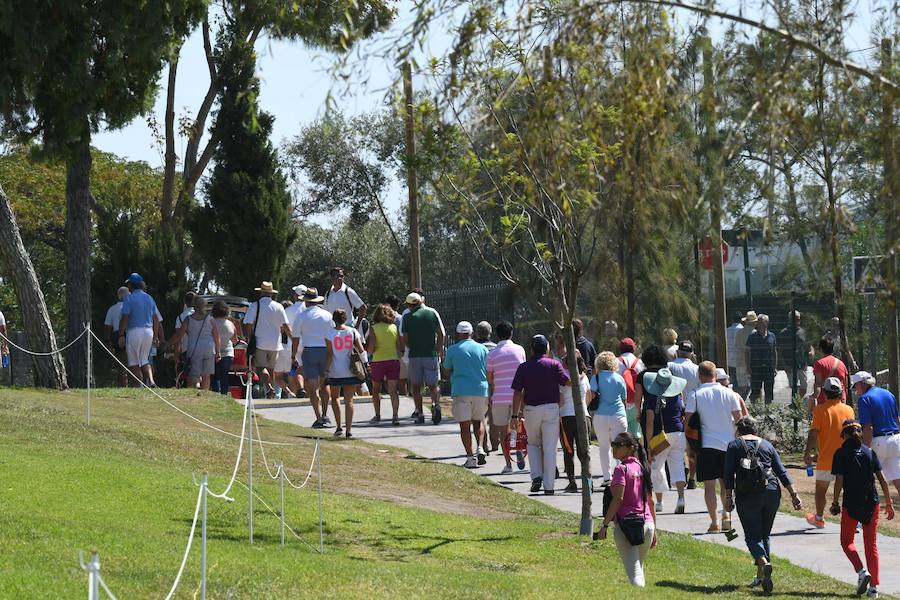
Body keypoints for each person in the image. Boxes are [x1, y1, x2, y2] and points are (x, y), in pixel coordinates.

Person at [724, 416, 803, 594]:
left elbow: (728, 474)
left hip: (748, 495)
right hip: (772, 491)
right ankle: (762, 577)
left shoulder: (734, 445)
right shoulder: (767, 445)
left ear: (739, 430)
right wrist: (794, 494)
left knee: (752, 537)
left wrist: (728, 497)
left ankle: (764, 564)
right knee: (764, 535)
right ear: (755, 430)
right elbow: (781, 471)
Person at [831, 419, 896, 599]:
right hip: (871, 503)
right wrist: (889, 503)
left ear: (843, 435)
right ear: (860, 433)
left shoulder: (841, 454)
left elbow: (839, 481)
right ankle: (874, 588)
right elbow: (882, 480)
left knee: (846, 542)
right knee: (871, 545)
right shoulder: (869, 452)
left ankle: (861, 571)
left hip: (851, 503)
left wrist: (835, 502)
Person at [685, 360, 742, 533]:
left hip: (706, 446)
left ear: (699, 376)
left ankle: (714, 522)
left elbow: (688, 423)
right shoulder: (729, 393)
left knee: (709, 486)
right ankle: (726, 515)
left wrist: (690, 449)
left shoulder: (694, 395)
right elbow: (740, 420)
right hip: (729, 446)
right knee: (726, 484)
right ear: (715, 376)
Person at [595, 432, 658, 588]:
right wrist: (654, 530)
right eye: (613, 445)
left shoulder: (620, 469)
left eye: (618, 445)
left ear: (630, 448)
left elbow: (618, 499)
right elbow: (650, 502)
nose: (614, 448)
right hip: (647, 526)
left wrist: (604, 525)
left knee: (635, 574)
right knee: (638, 568)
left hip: (626, 527)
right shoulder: (642, 468)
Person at [511, 335, 570, 495]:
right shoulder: (554, 364)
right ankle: (549, 486)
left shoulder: (523, 367)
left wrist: (514, 417)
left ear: (531, 349)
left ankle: (536, 475)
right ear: (547, 348)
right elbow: (567, 381)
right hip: (551, 408)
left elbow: (517, 393)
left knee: (533, 443)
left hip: (531, 410)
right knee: (550, 447)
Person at [803, 377, 855, 528]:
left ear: (824, 393)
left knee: (820, 490)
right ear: (840, 393)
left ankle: (819, 518)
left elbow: (813, 433)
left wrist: (807, 453)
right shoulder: (849, 409)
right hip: (846, 459)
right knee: (848, 489)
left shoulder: (820, 410)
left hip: (826, 458)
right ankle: (851, 521)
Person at [443, 321, 490, 468]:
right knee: (479, 421)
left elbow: (446, 370)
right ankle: (480, 447)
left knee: (465, 426)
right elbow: (488, 368)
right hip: (481, 389)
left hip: (461, 390)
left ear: (458, 334)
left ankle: (470, 458)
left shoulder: (452, 350)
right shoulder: (482, 349)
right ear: (472, 333)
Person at [642, 368, 688, 514]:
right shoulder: (678, 396)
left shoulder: (651, 397)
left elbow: (649, 421)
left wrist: (649, 443)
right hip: (678, 433)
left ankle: (660, 502)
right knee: (678, 465)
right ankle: (681, 498)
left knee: (657, 466)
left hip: (660, 436)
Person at [852, 371, 899, 500]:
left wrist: (864, 450)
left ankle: (865, 514)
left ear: (861, 384)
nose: (856, 391)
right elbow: (897, 419)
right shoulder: (889, 394)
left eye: (855, 386)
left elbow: (868, 428)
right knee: (898, 479)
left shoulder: (865, 398)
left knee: (866, 477)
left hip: (879, 441)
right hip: (896, 439)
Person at [487, 320, 526, 474]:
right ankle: (518, 448)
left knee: (503, 431)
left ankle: (508, 464)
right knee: (518, 427)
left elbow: (489, 379)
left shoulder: (492, 354)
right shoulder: (520, 350)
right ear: (511, 334)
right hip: (518, 395)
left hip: (499, 397)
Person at [291, 288, 333, 428]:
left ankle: (318, 416)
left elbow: (296, 339)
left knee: (313, 386)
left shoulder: (301, 316)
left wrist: (293, 355)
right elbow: (332, 334)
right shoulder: (327, 315)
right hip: (325, 350)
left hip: (309, 350)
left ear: (306, 301)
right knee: (324, 383)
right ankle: (326, 414)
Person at [401, 292, 445, 425]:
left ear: (410, 305)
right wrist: (437, 350)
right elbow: (441, 333)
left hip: (415, 355)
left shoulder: (407, 317)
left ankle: (419, 412)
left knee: (415, 386)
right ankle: (435, 404)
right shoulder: (432, 313)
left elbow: (405, 338)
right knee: (433, 384)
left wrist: (412, 346)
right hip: (430, 354)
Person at [242, 281, 291, 399]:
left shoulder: (255, 305)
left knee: (261, 368)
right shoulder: (278, 306)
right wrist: (292, 338)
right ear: (271, 294)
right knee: (271, 369)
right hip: (275, 343)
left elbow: (247, 323)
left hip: (260, 342)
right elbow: (285, 325)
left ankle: (268, 387)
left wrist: (250, 337)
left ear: (261, 293)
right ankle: (269, 394)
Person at [325, 309, 364, 438]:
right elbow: (361, 349)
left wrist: (326, 370)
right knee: (349, 400)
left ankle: (338, 426)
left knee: (335, 398)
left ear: (333, 319)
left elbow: (330, 354)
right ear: (345, 318)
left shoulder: (329, 333)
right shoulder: (352, 331)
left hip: (336, 370)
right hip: (350, 370)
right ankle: (349, 429)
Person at [591, 351, 628, 484]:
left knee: (604, 447)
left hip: (601, 415)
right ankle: (620, 475)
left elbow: (593, 395)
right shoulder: (619, 378)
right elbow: (624, 399)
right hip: (618, 415)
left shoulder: (595, 378)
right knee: (620, 447)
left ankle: (607, 477)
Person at [118, 273, 162, 387]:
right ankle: (151, 381)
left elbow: (125, 317)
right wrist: (156, 335)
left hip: (134, 331)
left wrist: (121, 334)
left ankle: (139, 386)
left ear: (131, 285)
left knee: (133, 362)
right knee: (144, 359)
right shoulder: (149, 297)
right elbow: (156, 318)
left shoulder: (129, 298)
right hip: (148, 331)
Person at [168, 296, 220, 390]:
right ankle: (205, 393)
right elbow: (216, 336)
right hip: (209, 348)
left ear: (195, 306)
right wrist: (218, 351)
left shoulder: (188, 319)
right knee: (206, 374)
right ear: (204, 306)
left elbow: (179, 335)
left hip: (194, 349)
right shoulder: (210, 319)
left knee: (194, 374)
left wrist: (168, 343)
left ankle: (195, 388)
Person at [558, 347, 590, 492]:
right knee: (584, 451)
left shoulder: (562, 379)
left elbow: (560, 401)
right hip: (583, 415)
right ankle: (587, 482)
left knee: (568, 451)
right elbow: (589, 396)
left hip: (566, 417)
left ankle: (572, 482)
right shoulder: (585, 377)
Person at [367, 303, 403, 425]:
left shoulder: (373, 328)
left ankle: (377, 415)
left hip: (378, 361)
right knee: (393, 390)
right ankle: (395, 416)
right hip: (393, 361)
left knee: (376, 389)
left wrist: (369, 351)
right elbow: (399, 346)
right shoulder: (394, 327)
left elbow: (371, 348)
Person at [809, 335, 849, 415]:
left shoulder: (819, 364)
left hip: (825, 402)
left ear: (821, 349)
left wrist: (813, 398)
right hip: (840, 400)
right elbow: (845, 384)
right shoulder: (841, 364)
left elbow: (818, 384)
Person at [777, 310, 813, 398]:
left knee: (804, 386)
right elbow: (779, 351)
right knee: (793, 387)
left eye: (798, 319)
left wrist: (812, 352)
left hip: (802, 364)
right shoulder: (783, 333)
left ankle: (798, 402)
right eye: (795, 319)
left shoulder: (803, 332)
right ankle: (795, 404)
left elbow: (810, 345)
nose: (798, 322)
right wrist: (784, 365)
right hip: (789, 364)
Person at [617, 338, 645, 442]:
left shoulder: (615, 362)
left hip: (620, 404)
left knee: (621, 437)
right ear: (633, 349)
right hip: (637, 404)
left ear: (620, 349)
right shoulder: (640, 363)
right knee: (635, 437)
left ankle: (623, 458)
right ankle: (635, 457)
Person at [746, 314, 777, 405]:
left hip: (768, 368)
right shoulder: (752, 336)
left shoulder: (772, 336)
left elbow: (774, 352)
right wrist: (748, 367)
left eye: (762, 322)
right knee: (755, 392)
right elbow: (747, 352)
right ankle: (754, 412)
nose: (760, 324)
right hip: (756, 368)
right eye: (758, 322)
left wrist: (775, 367)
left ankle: (768, 413)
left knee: (769, 392)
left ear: (767, 323)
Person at [284, 285, 309, 396]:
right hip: (307, 344)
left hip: (292, 344)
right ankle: (307, 392)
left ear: (296, 295)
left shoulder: (288, 310)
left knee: (293, 369)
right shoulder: (309, 310)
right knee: (306, 370)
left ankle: (294, 392)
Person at [103, 286, 130, 386]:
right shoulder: (131, 306)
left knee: (121, 362)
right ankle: (134, 383)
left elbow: (107, 326)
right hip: (130, 333)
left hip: (116, 334)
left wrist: (107, 340)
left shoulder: (112, 309)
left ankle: (123, 384)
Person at [211, 301, 237, 395]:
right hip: (228, 352)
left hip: (213, 352)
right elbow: (235, 340)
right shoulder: (230, 324)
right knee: (224, 375)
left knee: (215, 376)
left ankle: (215, 394)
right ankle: (224, 395)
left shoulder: (211, 322)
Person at [272, 300, 297, 399]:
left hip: (282, 349)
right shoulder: (297, 317)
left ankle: (285, 392)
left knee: (278, 376)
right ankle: (293, 396)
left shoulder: (280, 319)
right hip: (294, 351)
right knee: (292, 375)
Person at [734, 311, 757, 396]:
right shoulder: (755, 333)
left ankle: (737, 403)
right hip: (752, 363)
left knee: (741, 387)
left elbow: (736, 346)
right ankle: (755, 406)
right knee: (756, 387)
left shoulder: (739, 332)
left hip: (739, 361)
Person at [725, 311, 744, 386]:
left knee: (733, 382)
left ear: (732, 319)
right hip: (742, 361)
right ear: (741, 319)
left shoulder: (726, 330)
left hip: (729, 361)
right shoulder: (744, 331)